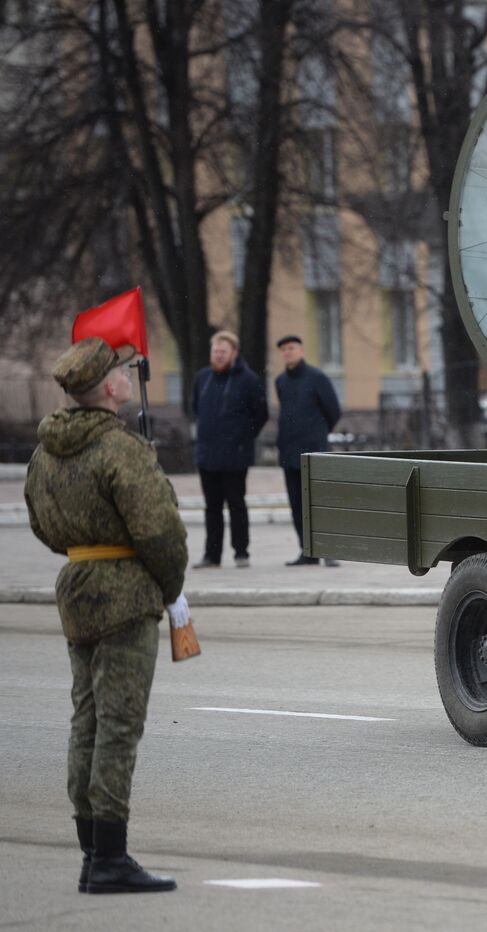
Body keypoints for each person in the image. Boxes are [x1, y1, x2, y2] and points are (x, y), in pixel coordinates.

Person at [25, 337, 188, 894]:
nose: (126, 376)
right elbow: (160, 532)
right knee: (119, 725)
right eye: (122, 371)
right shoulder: (119, 449)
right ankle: (112, 859)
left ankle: (92, 854)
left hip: (77, 588)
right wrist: (171, 585)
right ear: (110, 387)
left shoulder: (45, 452)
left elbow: (44, 526)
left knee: (86, 720)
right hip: (126, 595)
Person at [191, 330, 267, 568]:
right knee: (211, 507)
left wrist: (243, 437)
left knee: (236, 504)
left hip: (235, 456)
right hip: (207, 455)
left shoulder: (248, 380)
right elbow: (195, 408)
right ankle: (212, 555)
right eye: (215, 351)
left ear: (234, 353)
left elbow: (260, 414)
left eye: (223, 351)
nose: (219, 356)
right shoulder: (202, 378)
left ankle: (241, 552)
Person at [273, 334, 342, 566]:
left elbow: (333, 410)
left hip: (313, 452)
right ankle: (307, 551)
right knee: (297, 505)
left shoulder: (317, 378)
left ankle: (329, 551)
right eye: (283, 350)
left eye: (291, 348)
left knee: (318, 503)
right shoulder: (281, 381)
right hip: (289, 451)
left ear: (301, 350)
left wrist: (316, 434)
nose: (287, 353)